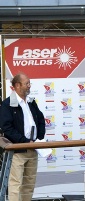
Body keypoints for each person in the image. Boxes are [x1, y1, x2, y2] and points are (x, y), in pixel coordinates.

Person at [0, 73, 46, 201]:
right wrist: (25, 141)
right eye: (27, 83)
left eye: (29, 83)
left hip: (33, 149)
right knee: (15, 185)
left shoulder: (31, 102)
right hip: (18, 151)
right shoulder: (7, 104)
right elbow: (7, 128)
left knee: (29, 184)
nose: (29, 86)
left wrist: (38, 138)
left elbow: (41, 119)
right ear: (17, 85)